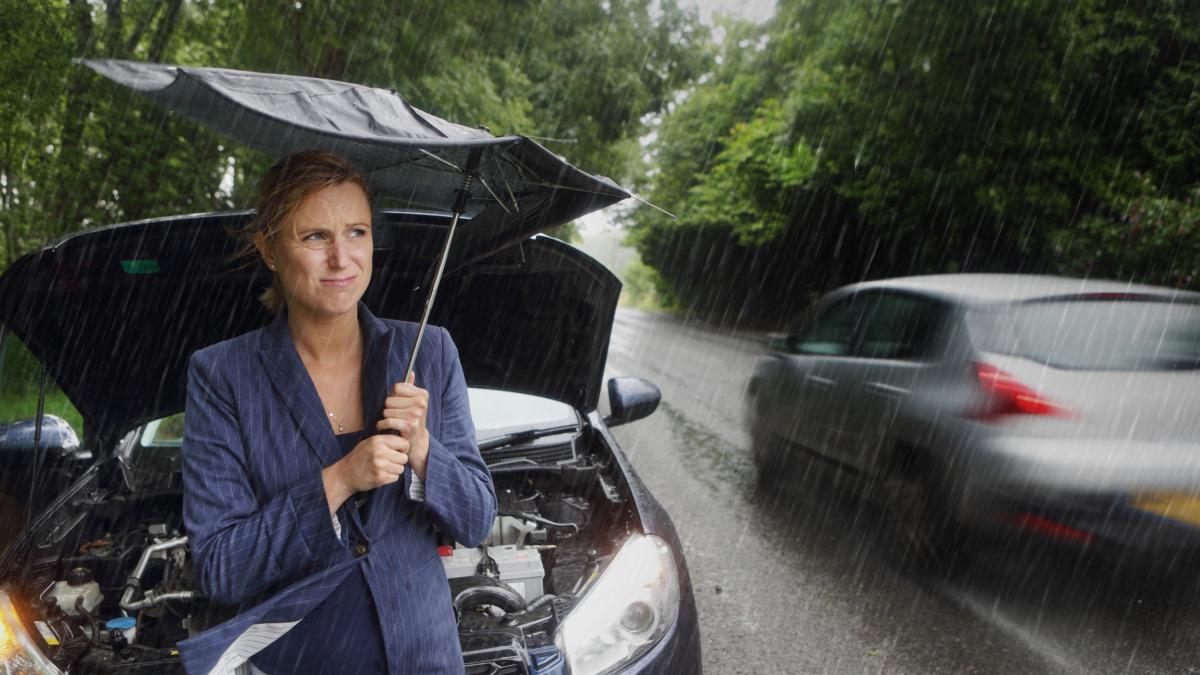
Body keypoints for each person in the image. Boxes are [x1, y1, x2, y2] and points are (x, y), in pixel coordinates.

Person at [180, 150, 496, 674]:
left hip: (427, 659)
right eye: (315, 237)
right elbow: (221, 566)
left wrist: (422, 449)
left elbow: (478, 518)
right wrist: (340, 479)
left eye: (356, 232)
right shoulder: (223, 376)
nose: (342, 258)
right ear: (270, 250)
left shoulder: (429, 351)